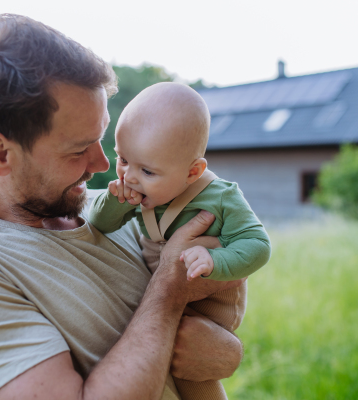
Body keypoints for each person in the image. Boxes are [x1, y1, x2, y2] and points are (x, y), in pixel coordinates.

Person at [0, 14, 245, 400]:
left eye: (102, 139)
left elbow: (206, 340)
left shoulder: (120, 209)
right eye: (78, 149)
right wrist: (168, 294)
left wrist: (225, 351)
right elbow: (169, 302)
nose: (103, 165)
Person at [88, 82, 271, 400]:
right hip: (167, 301)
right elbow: (100, 224)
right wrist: (116, 201)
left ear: (193, 172)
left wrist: (215, 261)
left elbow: (258, 246)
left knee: (195, 380)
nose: (129, 176)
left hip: (210, 304)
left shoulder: (222, 197)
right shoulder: (142, 188)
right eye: (123, 160)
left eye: (146, 170)